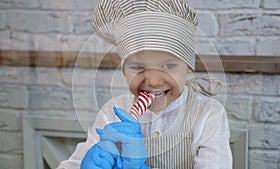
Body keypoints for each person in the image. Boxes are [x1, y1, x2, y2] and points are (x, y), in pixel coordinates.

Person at [58, 0, 232, 168]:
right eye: (138, 67)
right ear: (124, 70)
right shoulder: (113, 111)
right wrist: (84, 166)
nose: (153, 80)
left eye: (168, 66)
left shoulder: (208, 115)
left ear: (188, 66)